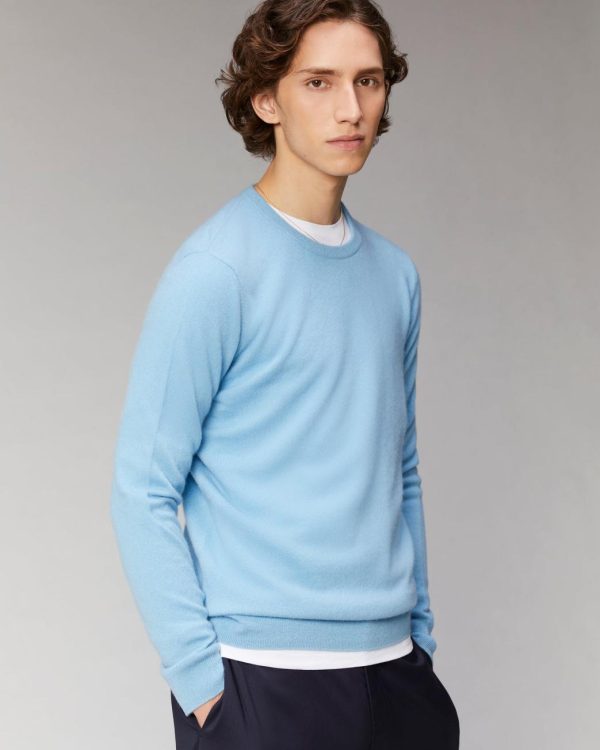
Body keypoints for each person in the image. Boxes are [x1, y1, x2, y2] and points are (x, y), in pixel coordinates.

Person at [110, 1, 460, 747]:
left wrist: (419, 637)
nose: (350, 108)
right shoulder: (216, 272)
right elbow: (142, 488)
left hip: (396, 674)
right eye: (318, 82)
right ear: (266, 99)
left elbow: (397, 469)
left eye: (368, 81)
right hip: (261, 679)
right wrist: (203, 686)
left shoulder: (395, 276)